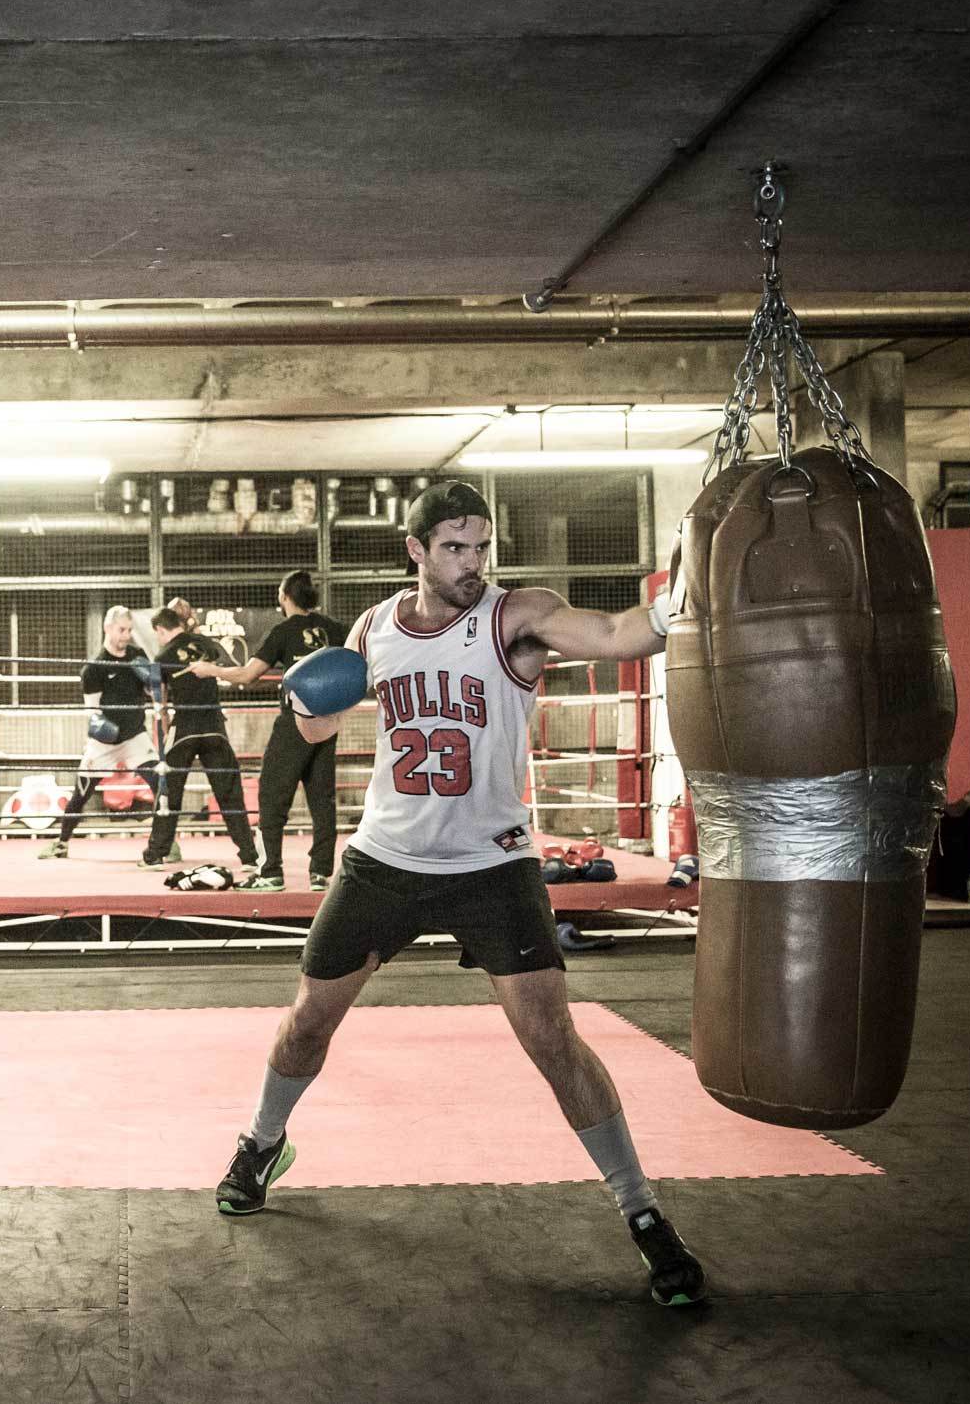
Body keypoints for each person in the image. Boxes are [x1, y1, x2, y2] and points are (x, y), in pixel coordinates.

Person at [214, 480, 707, 1309]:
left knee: (553, 1040)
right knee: (307, 1020)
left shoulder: (516, 617)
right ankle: (261, 1144)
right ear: (415, 550)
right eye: (454, 548)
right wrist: (305, 698)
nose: (473, 564)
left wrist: (683, 591)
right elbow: (319, 730)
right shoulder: (373, 628)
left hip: (492, 866)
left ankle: (645, 1212)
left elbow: (622, 634)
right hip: (385, 863)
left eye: (481, 547)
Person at [189, 570, 347, 892]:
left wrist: (210, 671)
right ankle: (320, 873)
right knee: (322, 798)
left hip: (296, 720)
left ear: (285, 597)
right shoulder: (333, 629)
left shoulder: (284, 631)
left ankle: (270, 871)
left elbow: (249, 676)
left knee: (272, 794)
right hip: (327, 722)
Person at [143, 605, 260, 872]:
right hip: (214, 725)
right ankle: (249, 856)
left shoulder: (162, 656)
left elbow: (160, 704)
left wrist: (164, 733)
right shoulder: (207, 644)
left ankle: (155, 855)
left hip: (184, 726)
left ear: (161, 630)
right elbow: (216, 656)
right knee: (229, 792)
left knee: (169, 791)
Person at [39, 606, 160, 860]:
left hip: (136, 736)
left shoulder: (137, 656)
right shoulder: (93, 669)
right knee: (81, 792)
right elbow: (92, 711)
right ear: (108, 628)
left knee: (161, 785)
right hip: (104, 742)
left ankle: (165, 844)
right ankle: (61, 843)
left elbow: (153, 694)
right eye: (121, 630)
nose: (126, 636)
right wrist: (102, 729)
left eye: (129, 630)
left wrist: (151, 681)